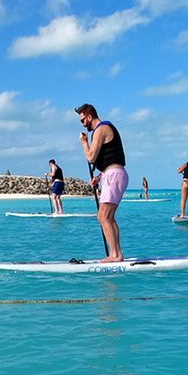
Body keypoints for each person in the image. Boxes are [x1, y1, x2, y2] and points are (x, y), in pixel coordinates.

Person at [77, 103, 128, 262]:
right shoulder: (101, 130)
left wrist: (84, 143)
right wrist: (99, 177)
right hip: (112, 174)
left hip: (114, 175)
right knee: (108, 217)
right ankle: (117, 254)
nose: (83, 124)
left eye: (82, 120)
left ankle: (114, 255)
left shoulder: (101, 128)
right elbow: (109, 159)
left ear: (89, 116)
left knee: (103, 216)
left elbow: (91, 157)